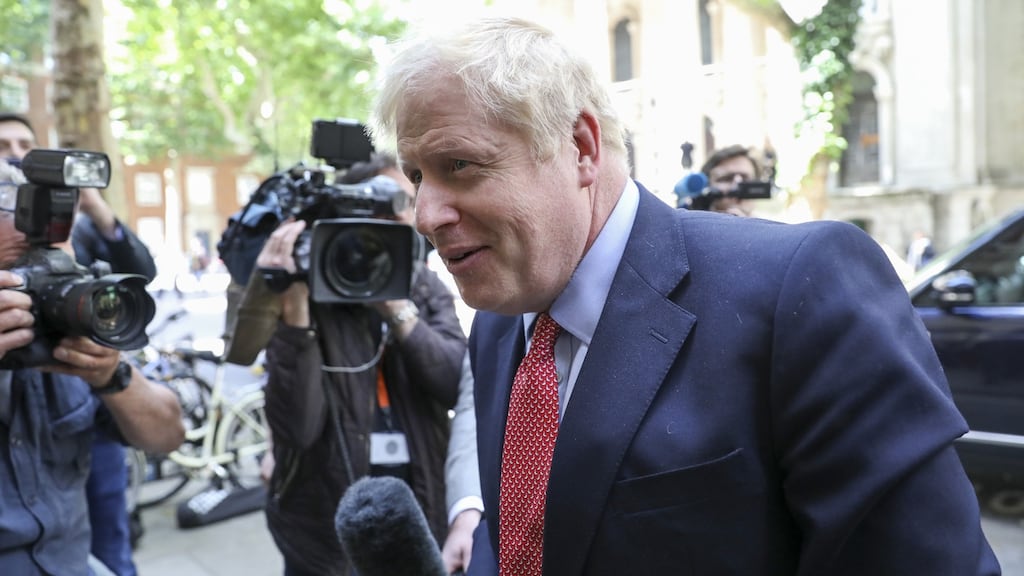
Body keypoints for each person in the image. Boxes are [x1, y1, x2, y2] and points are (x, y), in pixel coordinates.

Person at [371, 16, 1001, 575]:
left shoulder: (800, 287)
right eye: (418, 175)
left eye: (460, 165)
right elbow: (523, 543)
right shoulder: (502, 321)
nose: (426, 214)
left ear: (580, 147)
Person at [255, 152, 467, 575]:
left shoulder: (422, 284)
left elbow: (455, 383)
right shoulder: (311, 285)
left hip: (420, 509)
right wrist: (295, 312)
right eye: (380, 203)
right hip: (324, 536)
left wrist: (395, 307)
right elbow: (296, 427)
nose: (398, 216)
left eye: (405, 203)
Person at [0, 160, 185, 575]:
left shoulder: (68, 342)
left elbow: (168, 435)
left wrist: (114, 376)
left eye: (53, 268)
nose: (42, 292)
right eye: (17, 277)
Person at [687, 144, 761, 216]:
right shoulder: (690, 224)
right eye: (727, 178)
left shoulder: (768, 226)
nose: (738, 184)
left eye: (745, 178)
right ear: (707, 186)